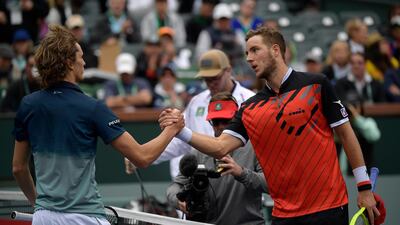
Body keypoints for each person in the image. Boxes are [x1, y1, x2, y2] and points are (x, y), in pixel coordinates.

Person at [160, 27, 380, 225]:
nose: (249, 58)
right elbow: (220, 147)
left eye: (255, 50)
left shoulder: (317, 84)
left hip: (329, 208)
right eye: (247, 53)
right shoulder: (249, 107)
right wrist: (182, 131)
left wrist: (364, 187)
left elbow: (347, 134)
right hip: (283, 215)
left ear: (276, 50)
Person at [12, 25, 183, 225]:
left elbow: (18, 168)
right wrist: (172, 129)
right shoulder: (91, 107)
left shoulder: (28, 105)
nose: (84, 62)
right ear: (69, 63)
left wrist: (38, 204)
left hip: (43, 218)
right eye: (81, 57)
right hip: (83, 217)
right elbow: (142, 158)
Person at [125, 49, 254, 179]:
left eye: (215, 78)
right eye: (206, 79)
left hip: (240, 176)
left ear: (228, 70)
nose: (211, 83)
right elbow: (178, 143)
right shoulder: (196, 102)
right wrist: (141, 154)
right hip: (204, 178)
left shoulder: (250, 99)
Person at [166, 92, 267, 224]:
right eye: (216, 121)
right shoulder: (199, 151)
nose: (220, 126)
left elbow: (271, 185)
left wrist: (241, 173)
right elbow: (175, 186)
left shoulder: (255, 148)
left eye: (226, 121)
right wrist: (179, 201)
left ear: (236, 120)